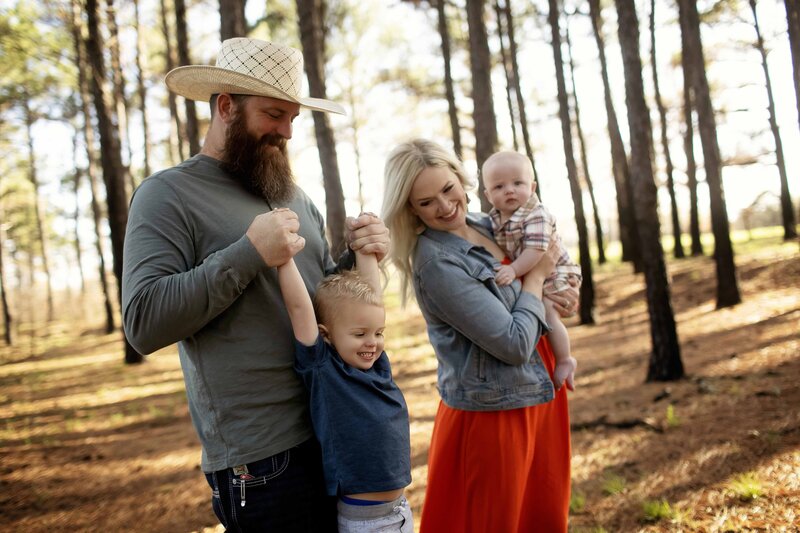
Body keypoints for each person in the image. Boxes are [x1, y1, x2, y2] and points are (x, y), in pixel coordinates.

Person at [121, 38, 389, 532]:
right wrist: (248, 254)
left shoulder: (290, 192)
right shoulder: (166, 195)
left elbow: (323, 296)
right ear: (226, 106)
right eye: (274, 114)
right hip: (263, 459)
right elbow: (142, 321)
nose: (287, 131)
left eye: (293, 118)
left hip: (337, 427)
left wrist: (362, 256)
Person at [381, 139, 579, 533]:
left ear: (461, 179)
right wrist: (537, 278)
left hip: (539, 391)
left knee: (539, 515)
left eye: (448, 188)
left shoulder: (488, 223)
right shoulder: (437, 263)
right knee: (493, 521)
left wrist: (560, 291)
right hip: (494, 414)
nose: (444, 206)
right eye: (426, 202)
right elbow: (513, 344)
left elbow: (543, 270)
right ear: (410, 209)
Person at [276, 222, 413, 532]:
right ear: (326, 335)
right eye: (360, 334)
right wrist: (284, 259)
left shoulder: (376, 365)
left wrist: (365, 246)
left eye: (378, 333)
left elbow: (372, 297)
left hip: (400, 511)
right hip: (368, 521)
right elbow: (300, 308)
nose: (373, 342)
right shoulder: (324, 370)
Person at [482, 151, 581, 391]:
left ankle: (566, 359)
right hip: (536, 271)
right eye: (499, 186)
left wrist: (514, 270)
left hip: (556, 270)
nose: (509, 190)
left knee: (549, 311)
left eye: (518, 183)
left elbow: (537, 251)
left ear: (532, 186)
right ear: (487, 194)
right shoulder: (493, 218)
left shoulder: (537, 213)